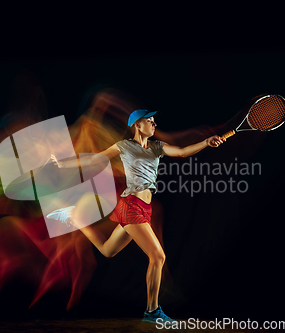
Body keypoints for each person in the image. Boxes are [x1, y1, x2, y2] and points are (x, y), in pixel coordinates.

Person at [49, 109, 224, 323]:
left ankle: (74, 218)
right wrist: (63, 163)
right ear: (137, 125)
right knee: (158, 257)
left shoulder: (157, 147)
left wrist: (206, 142)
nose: (154, 124)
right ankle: (152, 311)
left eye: (154, 121)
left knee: (107, 251)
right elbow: (96, 159)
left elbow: (182, 151)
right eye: (149, 121)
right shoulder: (124, 146)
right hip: (131, 206)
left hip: (143, 208)